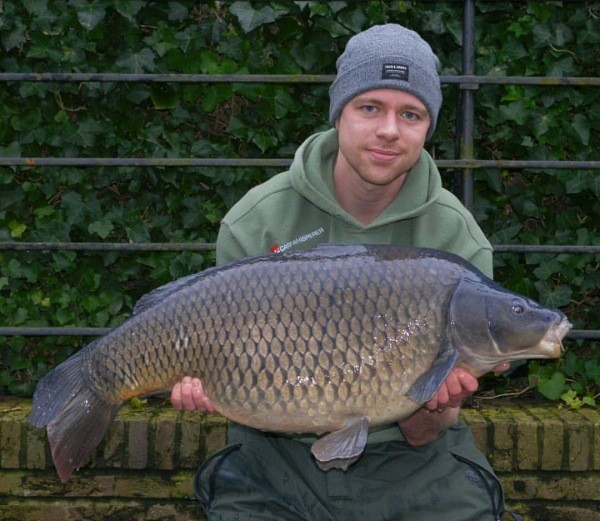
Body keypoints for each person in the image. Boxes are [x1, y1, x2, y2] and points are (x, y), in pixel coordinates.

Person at [172, 24, 513, 520]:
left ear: (428, 127)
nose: (389, 130)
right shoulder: (257, 221)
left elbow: (426, 432)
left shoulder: (455, 239)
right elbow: (226, 365)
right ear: (339, 114)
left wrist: (433, 406)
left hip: (414, 461)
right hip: (273, 457)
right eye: (370, 107)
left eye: (410, 114)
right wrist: (206, 387)